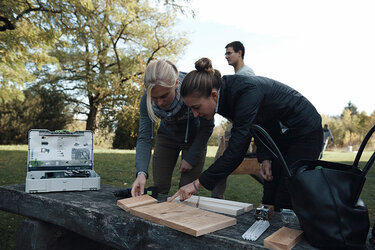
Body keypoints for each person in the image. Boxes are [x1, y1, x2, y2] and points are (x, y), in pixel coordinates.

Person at [169, 58, 323, 211]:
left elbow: (236, 151)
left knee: (287, 191)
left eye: (196, 107)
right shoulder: (227, 93)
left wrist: (197, 184)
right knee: (269, 190)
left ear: (214, 95)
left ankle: (291, 231)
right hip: (280, 132)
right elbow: (262, 123)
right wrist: (266, 157)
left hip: (305, 131)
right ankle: (268, 228)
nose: (195, 114)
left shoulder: (244, 92)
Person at [131, 60, 214, 197]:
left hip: (194, 138)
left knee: (186, 190)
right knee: (160, 186)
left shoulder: (192, 87)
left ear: (176, 84)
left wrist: (191, 158)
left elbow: (207, 126)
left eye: (164, 96)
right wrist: (141, 173)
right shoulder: (146, 101)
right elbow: (145, 137)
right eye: (154, 97)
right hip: (167, 137)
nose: (160, 102)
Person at [211, 41, 256, 199]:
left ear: (240, 53)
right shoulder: (237, 75)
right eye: (226, 53)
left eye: (229, 53)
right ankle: (216, 200)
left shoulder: (246, 75)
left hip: (240, 126)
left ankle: (216, 201)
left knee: (223, 163)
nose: (226, 56)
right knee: (245, 164)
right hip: (235, 125)